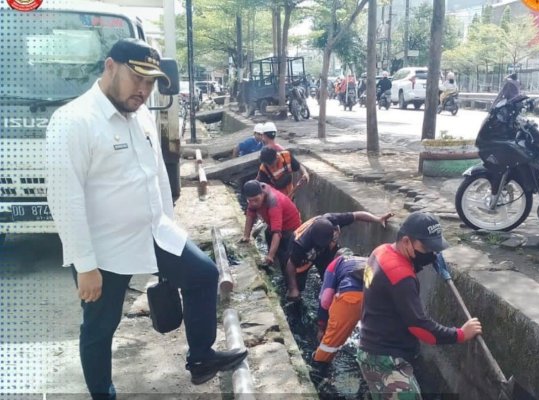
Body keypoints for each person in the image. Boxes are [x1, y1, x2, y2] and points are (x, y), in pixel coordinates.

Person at [45, 38, 247, 399]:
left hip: (154, 233)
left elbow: (155, 178)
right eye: (137, 78)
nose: (144, 90)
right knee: (99, 329)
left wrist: (171, 227)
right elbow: (65, 198)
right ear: (110, 67)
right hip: (103, 249)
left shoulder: (141, 116)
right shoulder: (73, 121)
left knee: (204, 274)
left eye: (151, 82)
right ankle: (103, 394)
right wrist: (84, 263)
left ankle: (201, 357)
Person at [357, 211, 483, 399]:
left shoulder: (381, 251)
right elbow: (420, 327)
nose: (431, 254)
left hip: (370, 346)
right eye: (427, 249)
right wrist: (460, 334)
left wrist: (420, 261)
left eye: (435, 249)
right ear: (407, 241)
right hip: (386, 358)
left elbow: (388, 288)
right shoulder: (402, 277)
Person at [284, 211, 393, 300]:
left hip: (324, 252)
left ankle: (329, 295)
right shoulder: (300, 244)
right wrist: (293, 288)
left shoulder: (332, 219)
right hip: (303, 259)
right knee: (296, 291)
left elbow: (357, 215)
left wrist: (378, 219)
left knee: (330, 278)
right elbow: (291, 264)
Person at [313, 249, 367, 364]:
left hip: (352, 295)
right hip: (380, 295)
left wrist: (321, 328)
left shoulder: (334, 264)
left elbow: (325, 299)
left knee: (329, 345)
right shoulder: (362, 261)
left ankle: (318, 370)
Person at [240, 180, 302, 269]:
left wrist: (270, 256)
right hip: (273, 224)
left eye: (256, 200)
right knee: (268, 234)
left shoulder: (273, 201)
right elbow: (250, 214)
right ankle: (273, 264)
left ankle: (279, 265)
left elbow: (277, 232)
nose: (253, 203)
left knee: (286, 258)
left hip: (291, 229)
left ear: (262, 194)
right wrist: (246, 236)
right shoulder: (254, 197)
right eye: (250, 201)